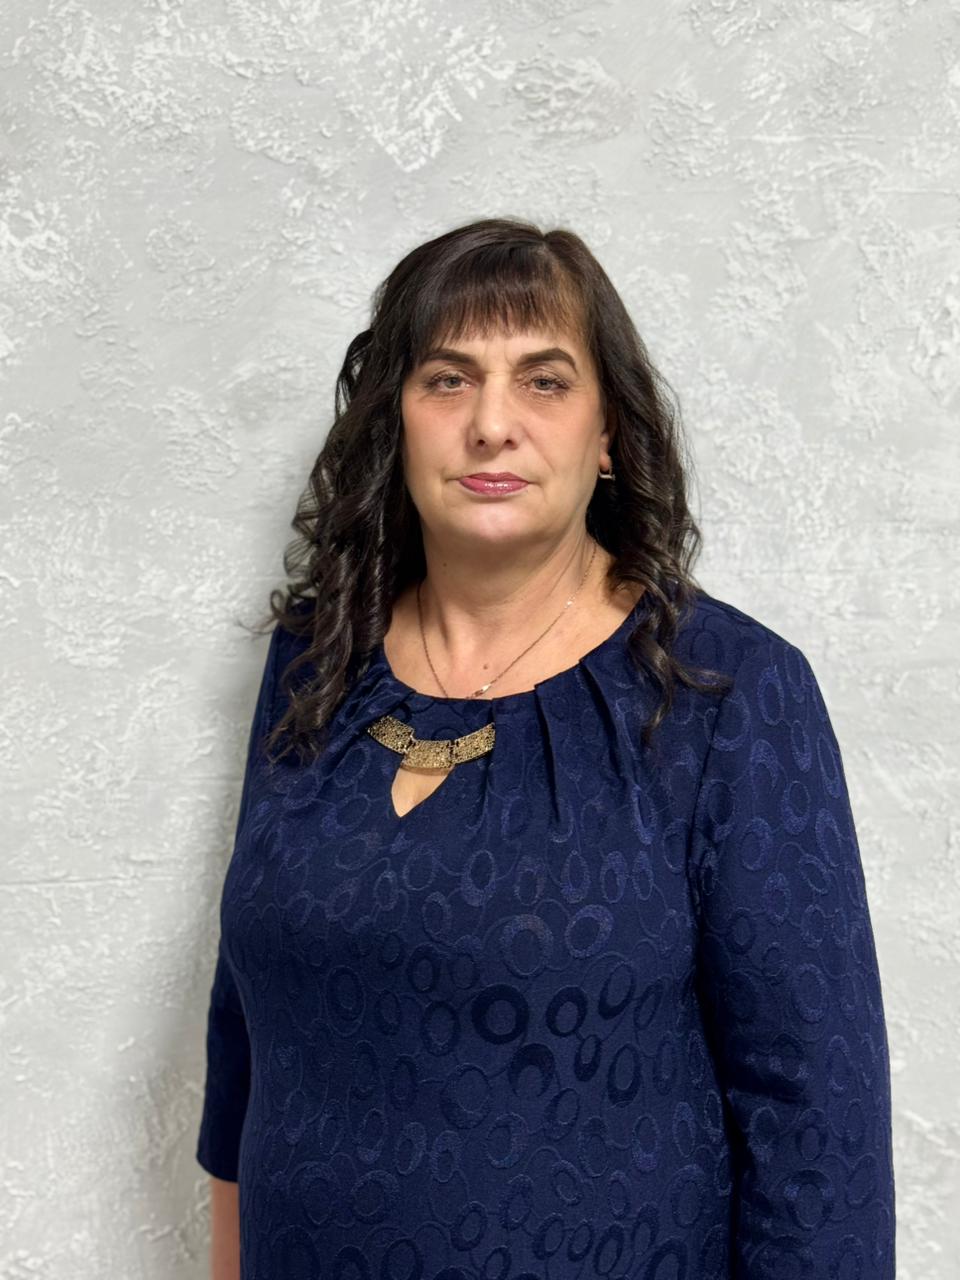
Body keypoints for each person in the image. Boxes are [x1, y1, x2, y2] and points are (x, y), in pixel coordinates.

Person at [195, 217, 896, 1279]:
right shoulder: (315, 658)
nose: (492, 424)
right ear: (396, 420)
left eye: (544, 381)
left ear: (607, 431)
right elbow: (245, 1026)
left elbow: (818, 1134)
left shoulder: (726, 694)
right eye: (447, 379)